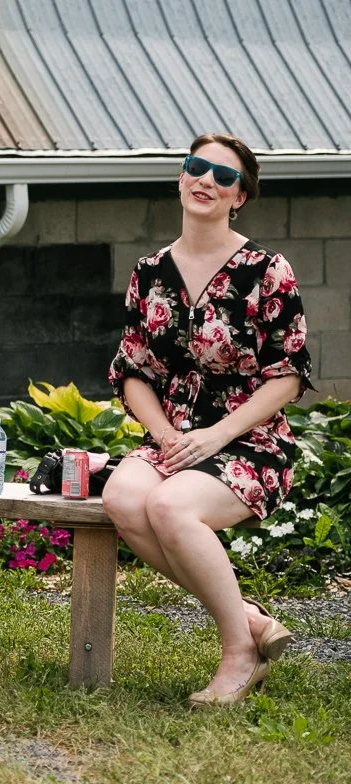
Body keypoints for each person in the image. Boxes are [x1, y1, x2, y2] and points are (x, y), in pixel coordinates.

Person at [103, 133, 312, 708]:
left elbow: (288, 374)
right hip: (175, 437)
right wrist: (169, 436)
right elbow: (133, 372)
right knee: (123, 498)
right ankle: (248, 618)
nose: (206, 182)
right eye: (197, 168)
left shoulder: (268, 270)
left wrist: (217, 435)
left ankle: (237, 655)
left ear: (240, 196)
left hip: (249, 439)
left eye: (224, 177)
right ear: (180, 177)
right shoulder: (149, 273)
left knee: (170, 507)